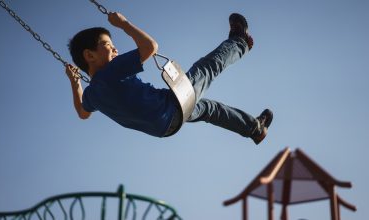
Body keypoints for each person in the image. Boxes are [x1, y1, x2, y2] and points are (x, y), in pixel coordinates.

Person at [65, 11, 273, 145]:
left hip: (165, 127)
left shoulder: (92, 94)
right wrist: (124, 24)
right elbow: (150, 47)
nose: (115, 48)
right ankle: (240, 42)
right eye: (108, 45)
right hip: (170, 107)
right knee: (206, 69)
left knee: (210, 109)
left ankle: (255, 128)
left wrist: (75, 84)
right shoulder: (110, 72)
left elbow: (83, 112)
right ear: (89, 55)